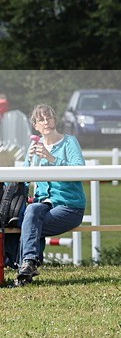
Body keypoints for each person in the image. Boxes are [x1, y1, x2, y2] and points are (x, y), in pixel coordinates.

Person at [13, 105, 86, 285]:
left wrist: (51, 158)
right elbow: (25, 178)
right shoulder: (35, 145)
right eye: (41, 120)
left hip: (70, 206)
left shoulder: (69, 142)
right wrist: (29, 162)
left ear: (55, 120)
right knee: (31, 211)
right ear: (36, 126)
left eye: (49, 118)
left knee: (29, 225)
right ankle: (28, 265)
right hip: (42, 206)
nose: (46, 122)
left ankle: (24, 267)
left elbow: (80, 170)